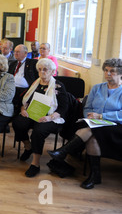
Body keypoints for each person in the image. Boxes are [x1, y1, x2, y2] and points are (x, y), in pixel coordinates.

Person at [48, 58, 122, 189]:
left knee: (92, 131)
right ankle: (95, 175)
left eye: (112, 71)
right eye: (106, 70)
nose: (108, 73)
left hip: (115, 125)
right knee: (92, 137)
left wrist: (101, 116)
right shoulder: (97, 88)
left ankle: (64, 151)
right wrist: (88, 116)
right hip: (94, 123)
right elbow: (87, 107)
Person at [12, 58, 68, 177]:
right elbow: (25, 100)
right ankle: (28, 146)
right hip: (32, 113)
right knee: (18, 123)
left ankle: (35, 164)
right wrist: (23, 109)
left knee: (38, 131)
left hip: (49, 117)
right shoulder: (35, 83)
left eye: (45, 70)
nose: (42, 72)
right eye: (40, 69)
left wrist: (50, 117)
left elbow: (63, 107)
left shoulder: (58, 86)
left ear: (52, 71)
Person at [8, 44, 39, 110]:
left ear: (25, 53)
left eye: (18, 52)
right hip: (12, 88)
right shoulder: (12, 64)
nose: (15, 53)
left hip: (25, 90)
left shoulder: (32, 63)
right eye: (15, 51)